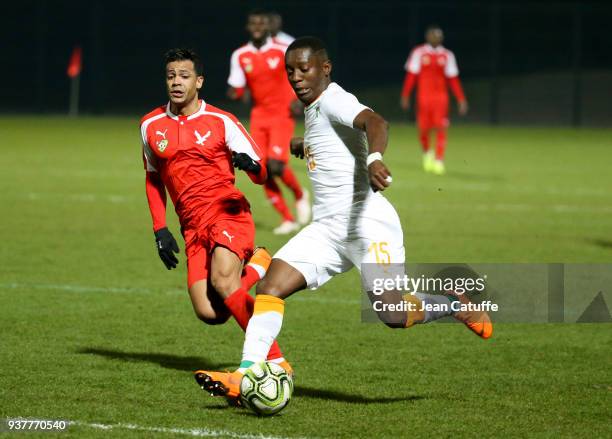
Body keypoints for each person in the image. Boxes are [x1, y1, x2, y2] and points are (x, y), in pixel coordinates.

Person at [195, 37, 492, 402]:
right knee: (270, 287)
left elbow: (374, 121)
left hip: (367, 225)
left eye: (304, 69)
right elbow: (336, 139)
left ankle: (454, 304)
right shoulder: (316, 107)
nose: (296, 78)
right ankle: (245, 374)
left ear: (325, 68)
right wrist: (305, 145)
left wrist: (374, 159)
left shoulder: (334, 98)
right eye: (290, 71)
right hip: (328, 229)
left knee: (394, 314)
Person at [141, 48, 291, 373]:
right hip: (191, 227)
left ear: (199, 81)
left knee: (224, 282)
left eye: (184, 76)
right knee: (211, 313)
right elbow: (153, 179)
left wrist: (253, 167)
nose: (176, 83)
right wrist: (159, 228)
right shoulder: (150, 125)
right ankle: (258, 266)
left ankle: (276, 361)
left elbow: (262, 172)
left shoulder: (223, 121)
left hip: (228, 212)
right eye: (170, 76)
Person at [227, 9, 310, 235]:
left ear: (268, 28)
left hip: (282, 114)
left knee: (276, 165)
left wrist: (298, 99)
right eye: (253, 23)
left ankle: (300, 194)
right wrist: (235, 92)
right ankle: (287, 218)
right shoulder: (240, 55)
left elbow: (301, 75)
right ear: (248, 27)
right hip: (259, 116)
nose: (257, 27)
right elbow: (237, 85)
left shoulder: (283, 50)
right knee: (259, 170)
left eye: (261, 24)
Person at [400, 25, 468, 175]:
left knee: (441, 127)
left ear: (441, 38)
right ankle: (427, 153)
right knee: (423, 129)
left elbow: (453, 79)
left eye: (438, 36)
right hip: (423, 98)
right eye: (433, 36)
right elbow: (411, 76)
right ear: (427, 37)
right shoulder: (418, 53)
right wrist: (405, 95)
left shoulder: (447, 55)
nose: (435, 39)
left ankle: (439, 160)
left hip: (441, 98)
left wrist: (461, 98)